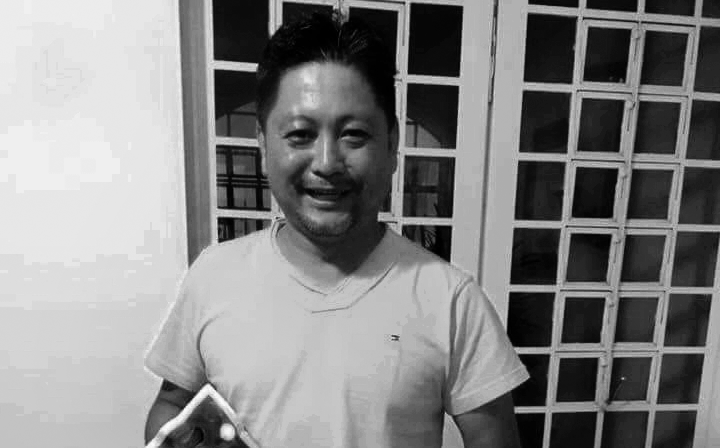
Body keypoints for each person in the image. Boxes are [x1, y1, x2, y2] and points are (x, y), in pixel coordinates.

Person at [144, 12, 528, 448]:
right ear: (263, 145)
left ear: (392, 144)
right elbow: (171, 405)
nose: (327, 162)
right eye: (300, 134)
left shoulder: (453, 301)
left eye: (354, 134)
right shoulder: (212, 277)